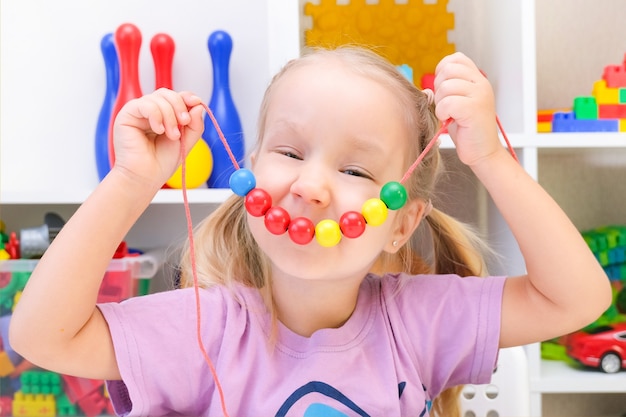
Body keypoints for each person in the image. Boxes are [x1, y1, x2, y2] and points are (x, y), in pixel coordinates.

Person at [9, 46, 612, 417]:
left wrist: (491, 159)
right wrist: (131, 182)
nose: (312, 186)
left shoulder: (418, 321)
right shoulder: (206, 328)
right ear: (246, 171)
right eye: (289, 152)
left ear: (400, 223)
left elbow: (578, 299)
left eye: (354, 169)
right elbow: (42, 336)